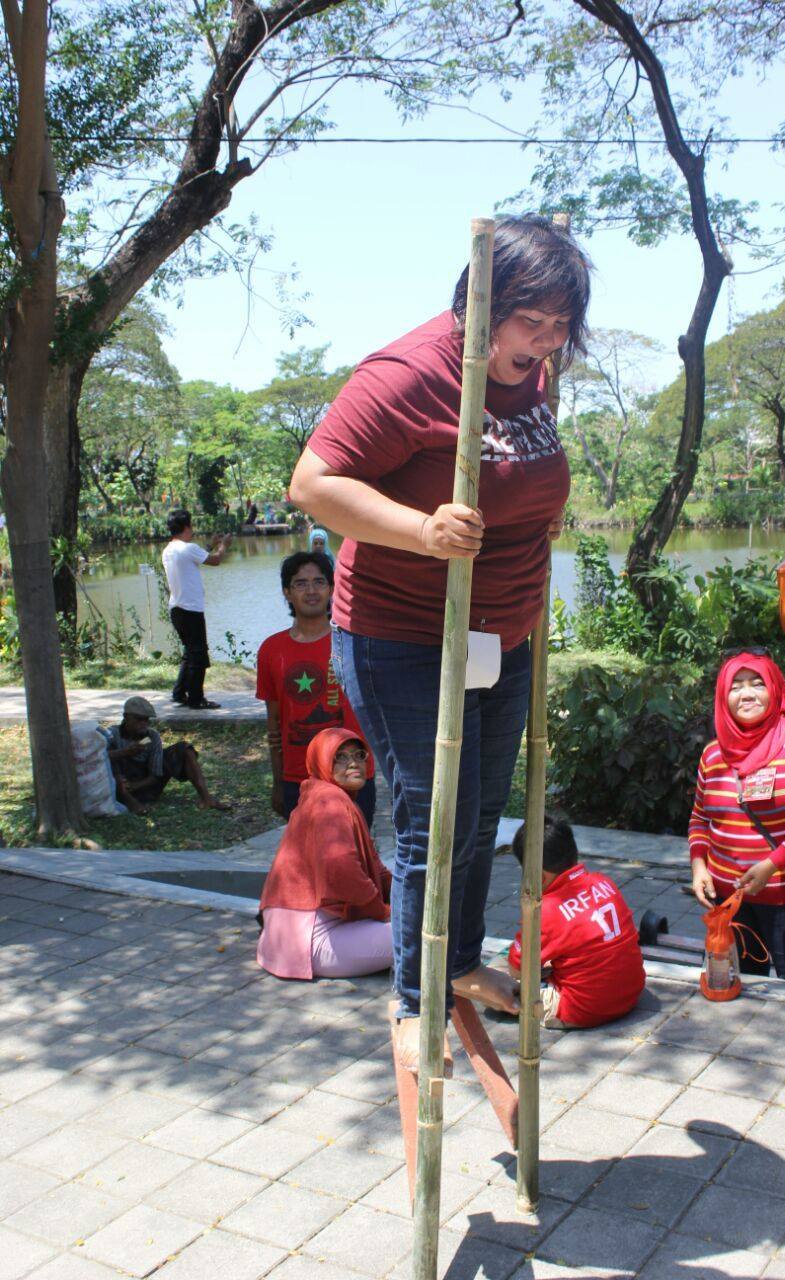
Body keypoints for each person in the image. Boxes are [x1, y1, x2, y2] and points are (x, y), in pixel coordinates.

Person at [289, 214, 591, 1070]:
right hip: (405, 636)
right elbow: (313, 484)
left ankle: (458, 961)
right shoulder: (408, 373)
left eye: (561, 325)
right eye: (531, 323)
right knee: (433, 818)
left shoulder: (536, 370)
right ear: (479, 302)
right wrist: (424, 531)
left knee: (481, 819)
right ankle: (416, 1002)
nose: (547, 341)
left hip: (506, 634)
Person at [689, 650, 785, 984]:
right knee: (734, 984)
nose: (746, 694)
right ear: (723, 696)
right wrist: (699, 866)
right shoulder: (713, 754)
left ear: (774, 689)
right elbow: (700, 818)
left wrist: (772, 864)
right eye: (736, 686)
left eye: (757, 684)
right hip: (729, 901)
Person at [257, 727, 393, 980]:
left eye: (359, 755)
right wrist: (381, 911)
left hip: (284, 943)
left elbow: (375, 865)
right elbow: (341, 869)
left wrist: (408, 898)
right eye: (340, 757)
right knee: (427, 934)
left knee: (419, 920)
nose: (353, 763)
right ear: (322, 762)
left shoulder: (322, 795)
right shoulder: (330, 802)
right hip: (309, 943)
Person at [255, 551, 376, 826]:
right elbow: (274, 724)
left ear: (332, 589)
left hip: (351, 775)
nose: (311, 590)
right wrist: (278, 782)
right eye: (300, 583)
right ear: (287, 592)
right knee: (307, 862)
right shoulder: (271, 650)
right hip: (297, 779)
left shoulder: (355, 642)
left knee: (354, 857)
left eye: (319, 582)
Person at [508, 813, 645, 1028]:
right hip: (630, 994)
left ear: (539, 875)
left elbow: (517, 970)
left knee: (497, 987)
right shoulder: (604, 881)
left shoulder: (545, 911)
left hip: (583, 1008)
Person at [105, 696, 228, 814]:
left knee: (185, 749)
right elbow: (98, 758)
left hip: (144, 787)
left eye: (146, 719)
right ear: (126, 717)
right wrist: (125, 753)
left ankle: (206, 798)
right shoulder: (113, 733)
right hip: (117, 786)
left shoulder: (152, 736)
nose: (143, 723)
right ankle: (130, 802)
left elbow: (155, 775)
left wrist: (135, 786)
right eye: (138, 719)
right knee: (110, 758)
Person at [162, 508, 230, 710]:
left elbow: (196, 557)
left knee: (190, 653)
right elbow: (215, 560)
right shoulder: (188, 548)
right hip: (191, 609)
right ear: (186, 526)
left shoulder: (169, 549)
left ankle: (179, 692)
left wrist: (212, 544)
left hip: (177, 608)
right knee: (198, 655)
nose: (192, 528)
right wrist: (224, 546)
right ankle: (196, 698)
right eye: (191, 524)